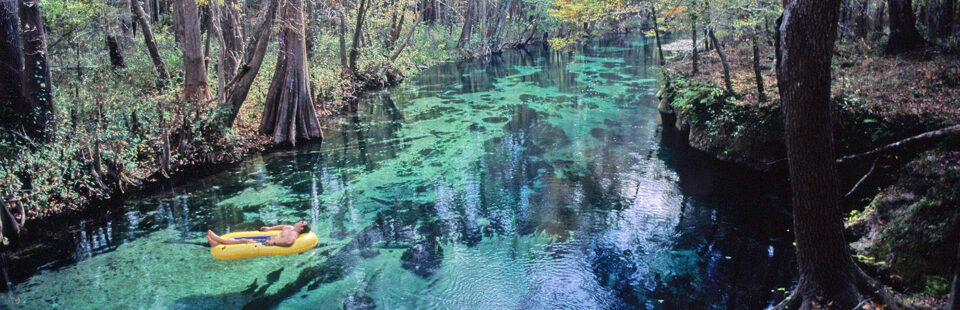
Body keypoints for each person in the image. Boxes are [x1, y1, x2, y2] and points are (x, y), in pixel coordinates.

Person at [206, 221, 310, 247]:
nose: (300, 221)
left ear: (301, 228)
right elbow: (281, 227)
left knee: (245, 241)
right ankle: (217, 244)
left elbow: (289, 242)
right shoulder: (290, 228)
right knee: (241, 239)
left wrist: (273, 242)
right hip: (268, 238)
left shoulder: (294, 234)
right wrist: (269, 228)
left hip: (268, 242)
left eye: (302, 222)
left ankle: (219, 240)